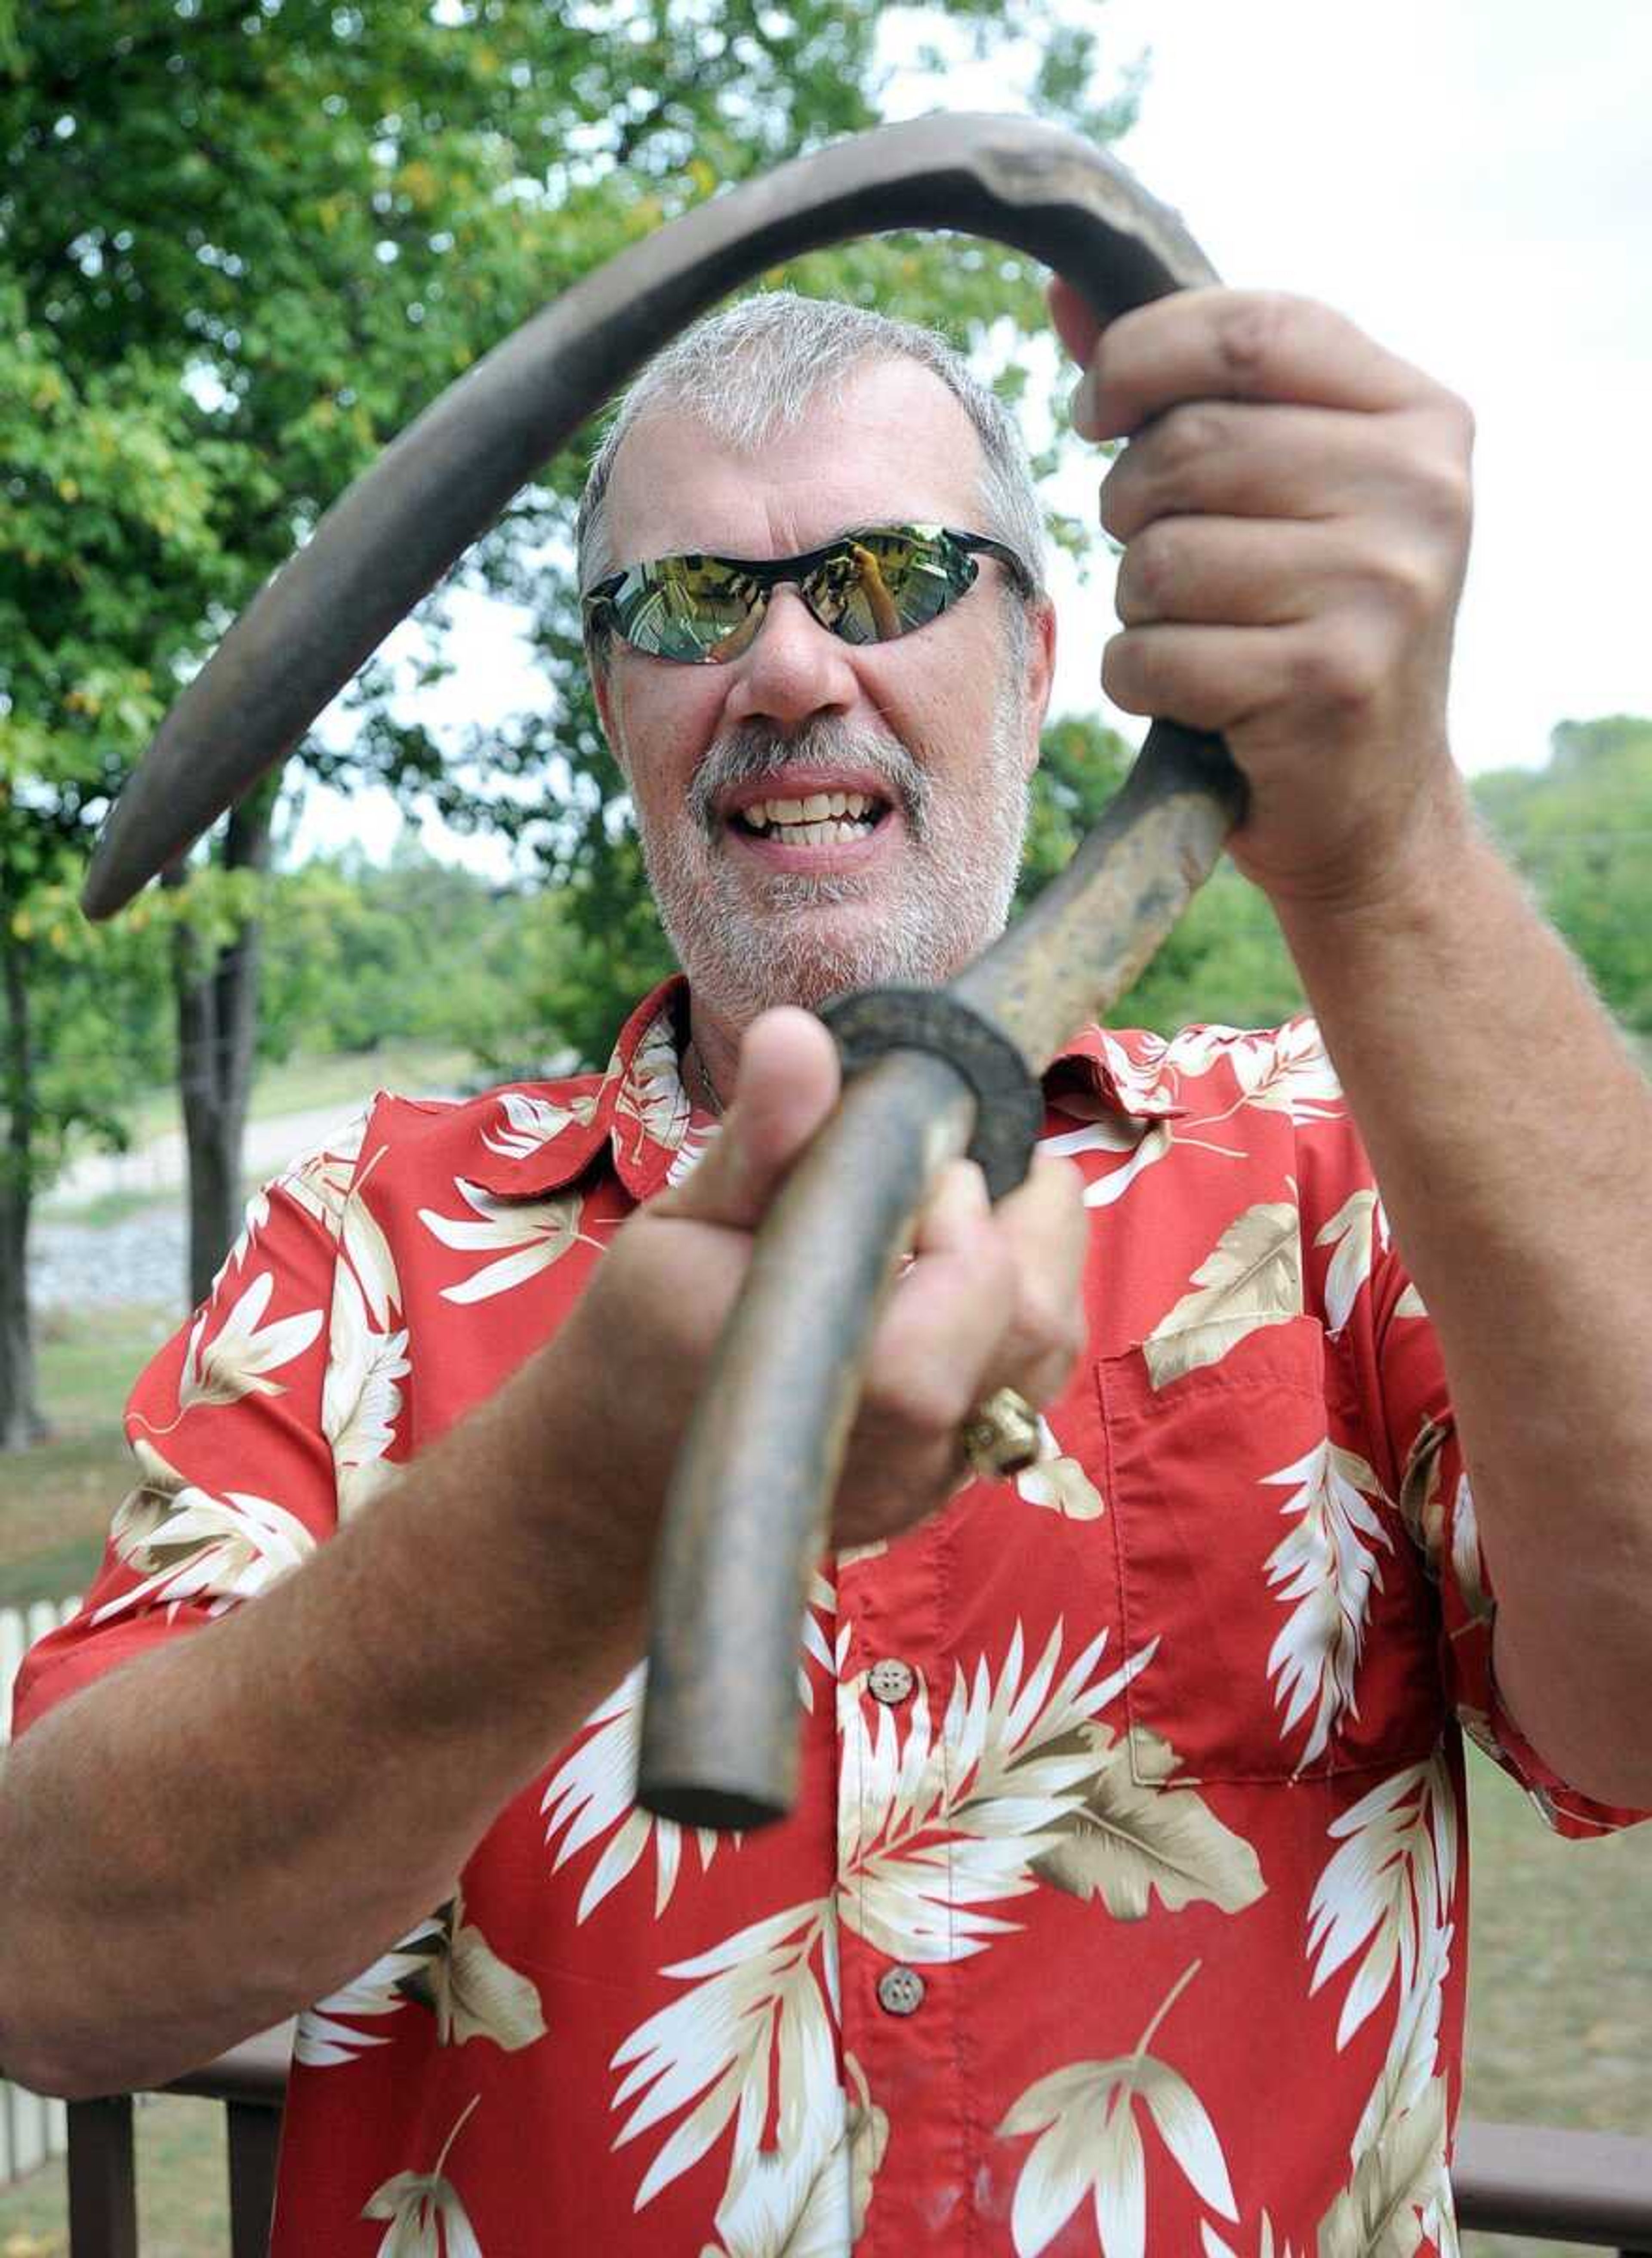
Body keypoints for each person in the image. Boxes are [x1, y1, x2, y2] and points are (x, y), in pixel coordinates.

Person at [3, 280, 1649, 2257]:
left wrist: (1386, 845)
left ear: (1040, 659)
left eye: (885, 577)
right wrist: (586, 1505)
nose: (786, 662)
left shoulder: (1336, 1156)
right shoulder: (366, 1229)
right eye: (689, 606)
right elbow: (53, 1959)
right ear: (612, 701)